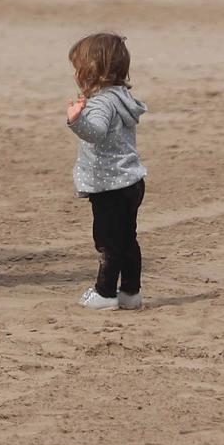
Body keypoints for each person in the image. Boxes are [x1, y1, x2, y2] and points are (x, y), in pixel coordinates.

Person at [65, 33, 148, 311]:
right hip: (132, 181)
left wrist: (76, 121)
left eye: (78, 68)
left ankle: (104, 292)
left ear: (91, 72)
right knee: (128, 240)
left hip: (110, 186)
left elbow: (97, 133)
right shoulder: (122, 97)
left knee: (108, 243)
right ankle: (131, 292)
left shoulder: (101, 102)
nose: (76, 75)